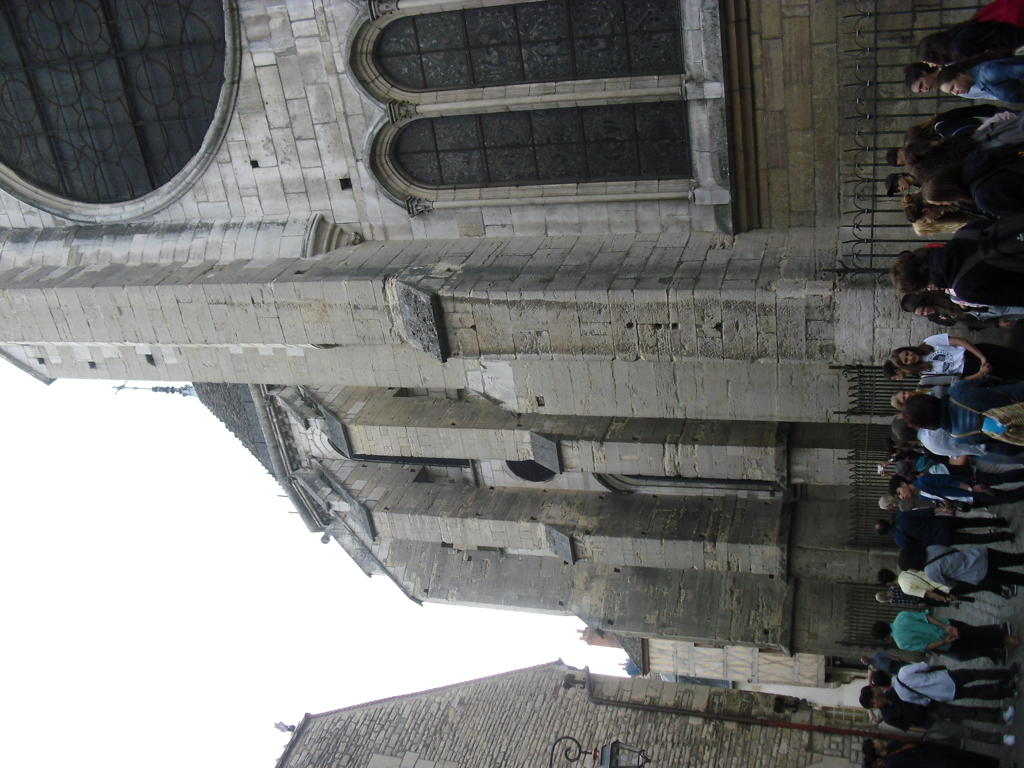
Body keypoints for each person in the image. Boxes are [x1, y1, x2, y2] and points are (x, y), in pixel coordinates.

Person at [860, 667, 1014, 745]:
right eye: (873, 704)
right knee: (966, 732)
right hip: (929, 722)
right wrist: (927, 729)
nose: (876, 702)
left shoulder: (892, 693)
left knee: (968, 712)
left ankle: (1000, 717)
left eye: (874, 698)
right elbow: (907, 728)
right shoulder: (888, 716)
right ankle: (999, 739)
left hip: (932, 706)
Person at [872, 609, 1018, 661]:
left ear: (885, 638)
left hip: (947, 645)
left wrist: (944, 642)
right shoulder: (901, 616)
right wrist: (946, 626)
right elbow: (927, 617)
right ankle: (1007, 639)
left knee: (976, 645)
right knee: (975, 632)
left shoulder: (901, 643)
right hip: (947, 625)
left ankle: (1006, 642)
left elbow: (926, 646)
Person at [898, 542, 1024, 596]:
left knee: (1015, 578)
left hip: (979, 574)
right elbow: (953, 550)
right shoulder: (932, 548)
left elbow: (951, 584)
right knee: (1015, 558)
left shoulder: (930, 572)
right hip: (980, 554)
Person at [885, 333, 1024, 382]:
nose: (911, 357)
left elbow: (960, 341)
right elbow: (956, 380)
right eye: (907, 360)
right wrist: (981, 373)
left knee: (1017, 358)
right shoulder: (926, 375)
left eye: (908, 353)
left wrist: (981, 356)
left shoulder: (929, 343)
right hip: (971, 369)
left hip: (973, 353)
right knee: (1016, 374)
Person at [875, 507, 1013, 547]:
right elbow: (926, 512)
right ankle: (1000, 522)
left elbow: (920, 546)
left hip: (942, 538)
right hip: (942, 523)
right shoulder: (901, 517)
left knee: (975, 539)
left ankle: (1004, 537)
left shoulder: (900, 542)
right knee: (972, 522)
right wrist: (943, 509)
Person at [888, 472, 1024, 508]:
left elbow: (949, 481)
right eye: (898, 497)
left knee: (1004, 484)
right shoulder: (922, 496)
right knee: (1004, 497)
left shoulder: (923, 481)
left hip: (970, 488)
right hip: (969, 500)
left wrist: (971, 488)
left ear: (903, 484)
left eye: (899, 493)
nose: (902, 497)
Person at [862, 737, 1001, 768]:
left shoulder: (893, 745)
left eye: (875, 740)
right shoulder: (891, 762)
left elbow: (914, 743)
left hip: (934, 752)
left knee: (969, 758)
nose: (877, 742)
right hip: (935, 764)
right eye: (874, 744)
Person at [939, 56, 1024, 103]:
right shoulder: (981, 82)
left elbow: (1020, 71)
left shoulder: (986, 73)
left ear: (959, 74)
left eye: (953, 88)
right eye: (951, 92)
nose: (956, 93)